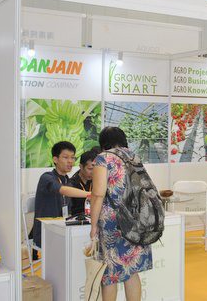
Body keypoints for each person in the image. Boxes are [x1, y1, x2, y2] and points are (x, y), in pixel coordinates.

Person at [90, 127, 152, 301]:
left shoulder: (103, 158)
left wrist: (93, 225)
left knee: (110, 272)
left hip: (113, 222)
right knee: (131, 270)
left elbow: (98, 194)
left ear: (103, 142)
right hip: (136, 219)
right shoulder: (134, 157)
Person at [32, 141, 91, 253]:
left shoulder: (67, 180)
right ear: (55, 159)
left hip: (63, 229)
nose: (70, 161)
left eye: (73, 157)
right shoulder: (46, 177)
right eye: (65, 157)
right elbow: (63, 190)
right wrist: (91, 194)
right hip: (47, 231)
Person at [68, 146, 100, 216]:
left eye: (95, 169)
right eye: (90, 169)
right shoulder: (71, 184)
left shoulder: (97, 181)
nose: (93, 172)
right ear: (81, 167)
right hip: (76, 219)